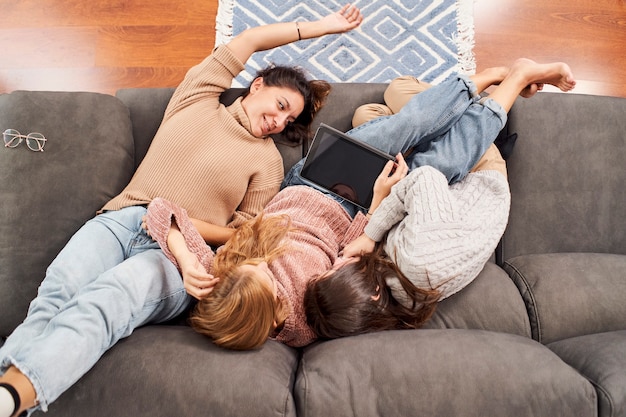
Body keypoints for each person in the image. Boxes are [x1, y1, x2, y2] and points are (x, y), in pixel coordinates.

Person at [0, 5, 363, 417]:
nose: (279, 122)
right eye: (280, 105)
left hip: (177, 256)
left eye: (289, 118)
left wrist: (181, 228)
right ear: (256, 85)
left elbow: (243, 237)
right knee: (55, 295)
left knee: (109, 300)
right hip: (120, 221)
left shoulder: (267, 163)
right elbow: (248, 41)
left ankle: (10, 401)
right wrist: (322, 27)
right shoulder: (197, 98)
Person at [143, 58, 576, 350]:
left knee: (409, 125)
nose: (260, 262)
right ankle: (515, 81)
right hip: (360, 209)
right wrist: (378, 201)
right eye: (265, 277)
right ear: (275, 312)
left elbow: (158, 209)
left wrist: (185, 256)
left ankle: (482, 79)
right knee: (446, 161)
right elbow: (352, 254)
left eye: (248, 267)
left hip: (310, 182)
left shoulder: (224, 286)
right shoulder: (304, 324)